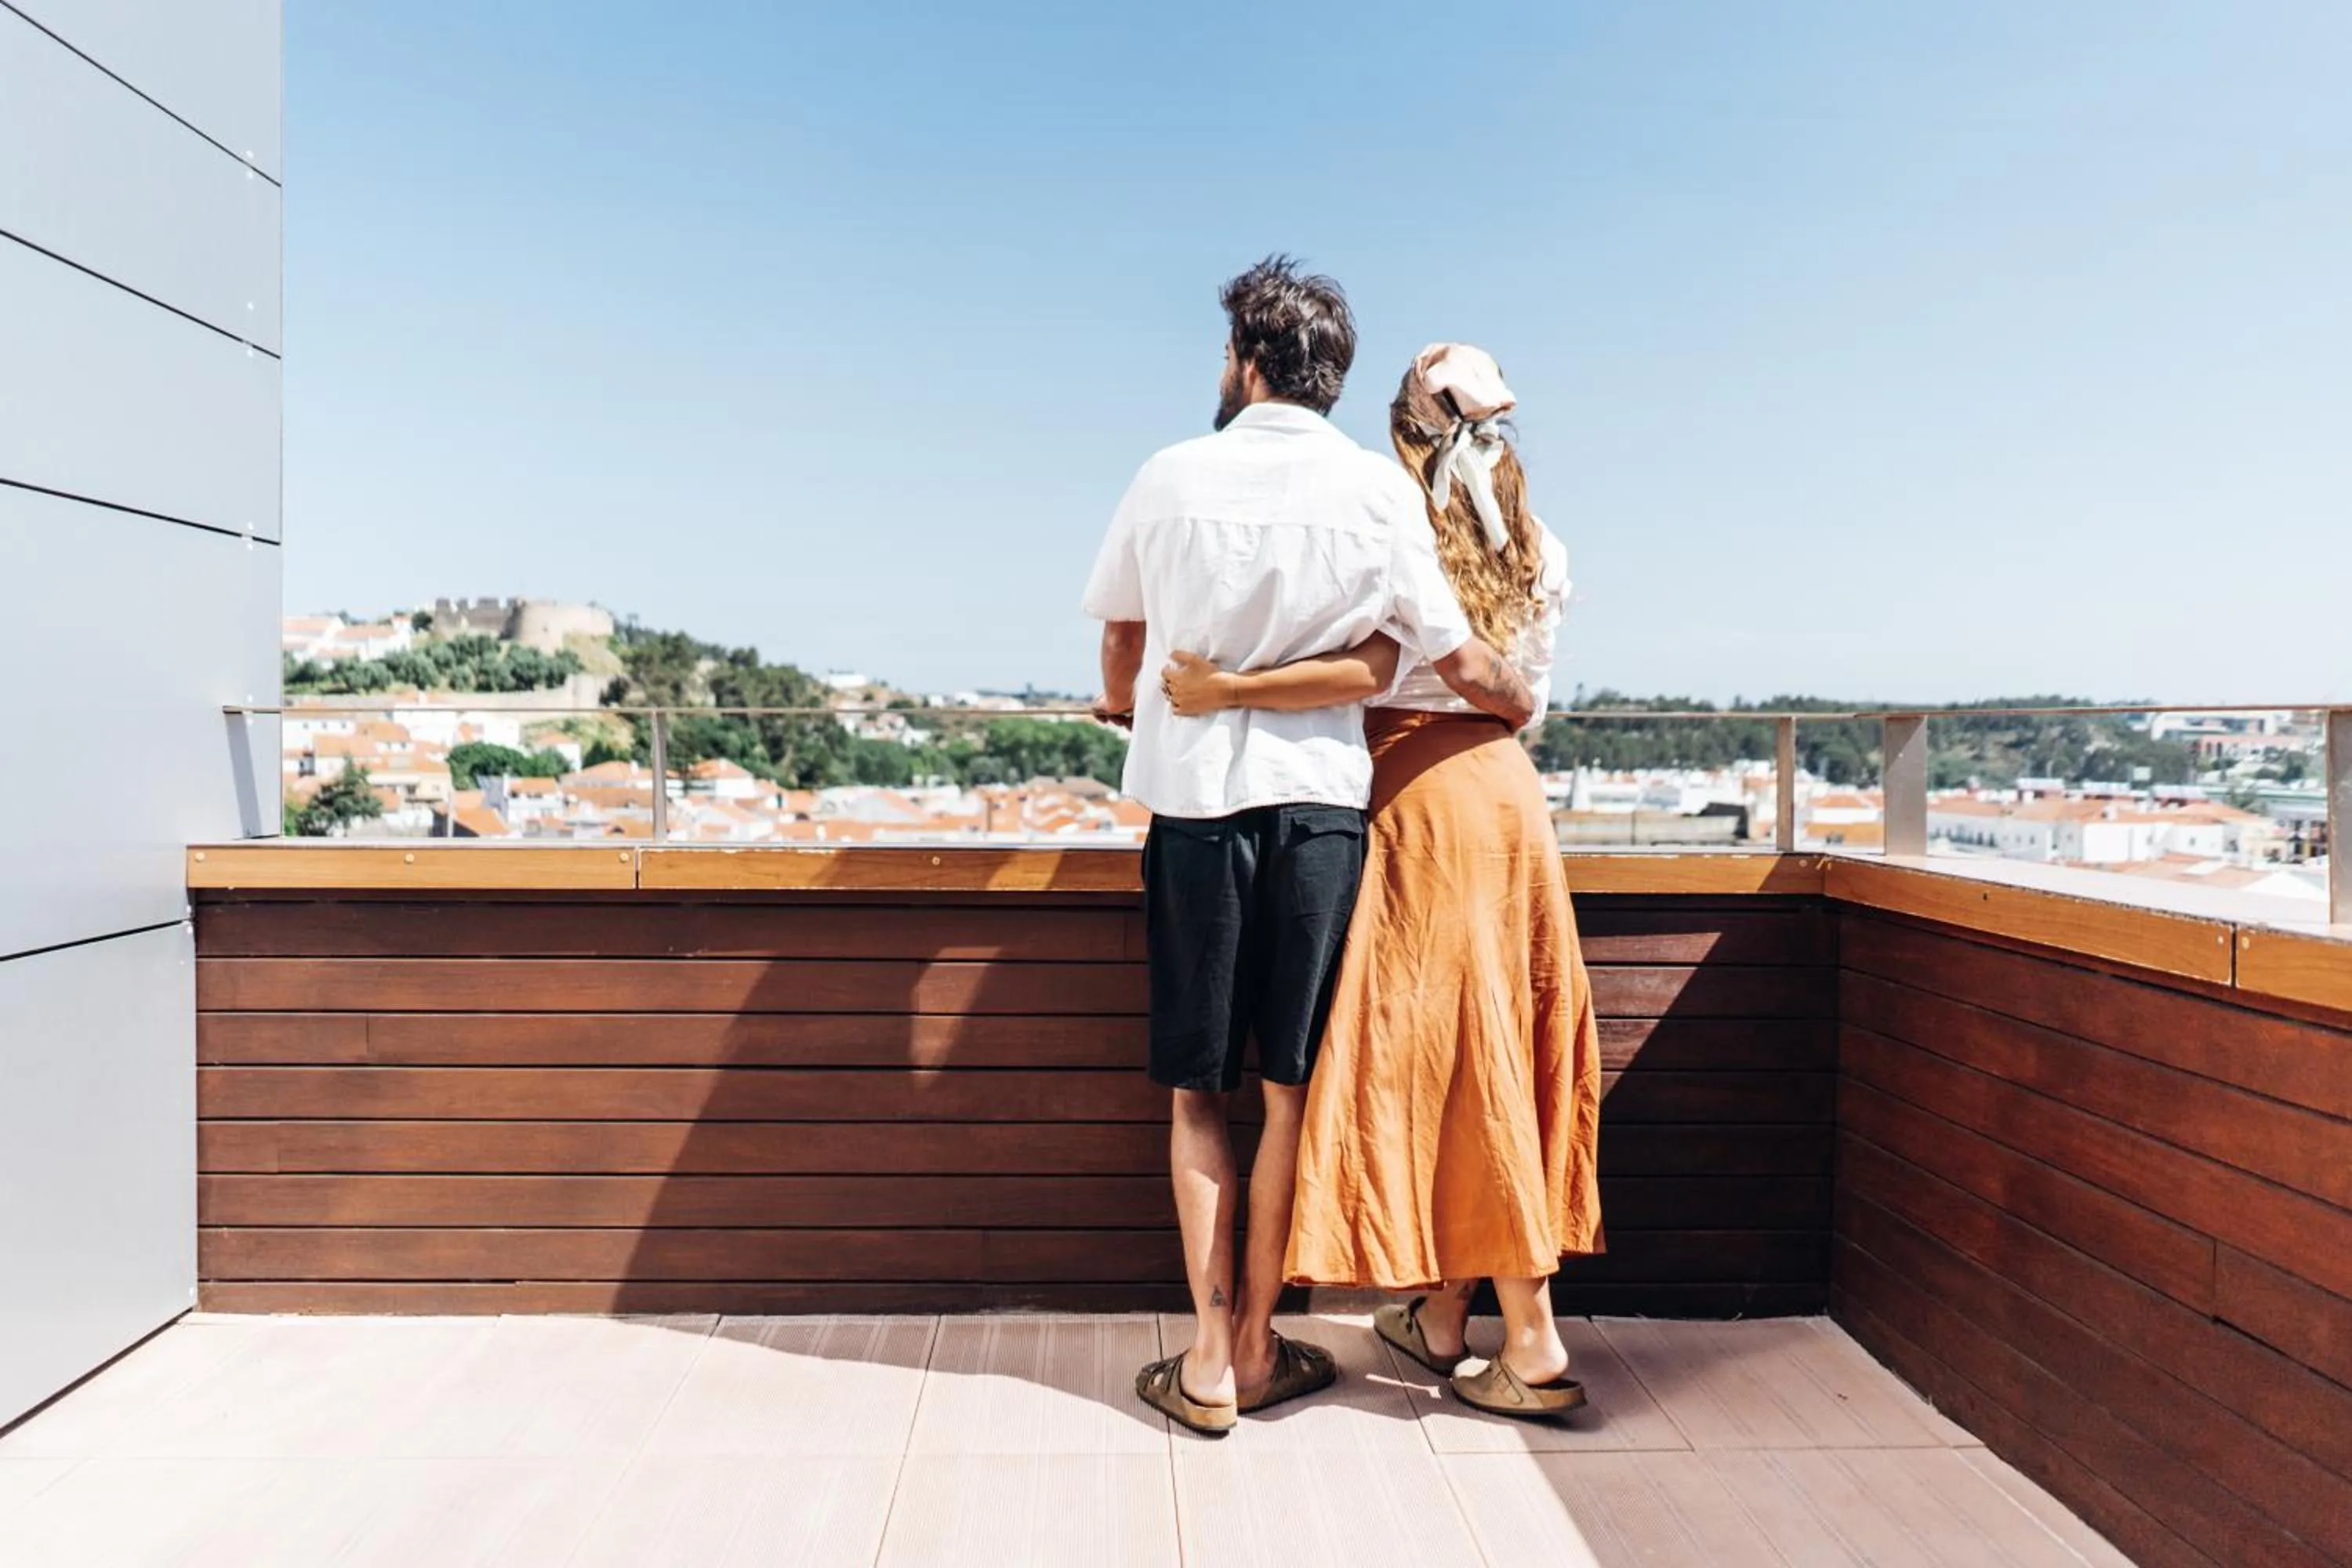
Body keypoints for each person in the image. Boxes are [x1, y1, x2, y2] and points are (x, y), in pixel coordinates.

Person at [1083, 266, 1536, 1436]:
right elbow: (1449, 651)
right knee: (1287, 1094)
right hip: (1322, 812)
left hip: (1195, 808)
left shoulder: (1170, 472)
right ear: (1332, 374)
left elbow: (1123, 642)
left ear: (1244, 358)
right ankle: (1257, 1344)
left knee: (1198, 1093)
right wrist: (1517, 706)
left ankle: (1204, 1364)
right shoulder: (1374, 494)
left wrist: (1126, 700)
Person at [1160, 343, 1603, 1421]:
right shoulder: (1541, 547)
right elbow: (1521, 701)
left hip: (1417, 804)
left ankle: (1535, 1342)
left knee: (1453, 1063)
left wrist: (1221, 691)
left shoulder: (1388, 521)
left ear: (1406, 431)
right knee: (1489, 1045)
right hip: (1508, 803)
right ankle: (1444, 1321)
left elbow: (1362, 672)